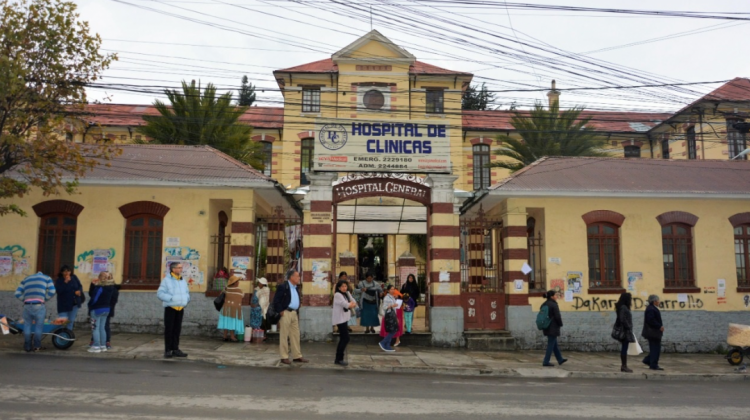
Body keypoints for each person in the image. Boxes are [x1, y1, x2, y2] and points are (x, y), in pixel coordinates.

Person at [272, 269, 308, 365]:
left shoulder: (296, 288)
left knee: (295, 334)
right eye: (297, 276)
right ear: (291, 277)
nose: (299, 278)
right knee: (284, 335)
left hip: (294, 313)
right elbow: (276, 300)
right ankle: (284, 356)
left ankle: (297, 355)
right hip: (286, 312)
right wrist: (281, 311)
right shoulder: (283, 286)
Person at [14, 271, 56, 352]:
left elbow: (17, 293)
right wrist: (44, 299)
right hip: (39, 306)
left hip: (27, 306)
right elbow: (52, 291)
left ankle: (27, 347)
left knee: (27, 326)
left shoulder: (26, 279)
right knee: (38, 326)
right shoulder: (47, 278)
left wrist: (25, 300)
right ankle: (37, 346)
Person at [157, 262, 191, 359]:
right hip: (170, 308)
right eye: (179, 268)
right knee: (169, 329)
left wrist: (187, 299)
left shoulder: (182, 280)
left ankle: (175, 349)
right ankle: (168, 350)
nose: (181, 269)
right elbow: (160, 293)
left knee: (177, 329)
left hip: (180, 307)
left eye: (181, 268)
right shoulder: (166, 280)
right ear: (173, 269)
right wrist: (171, 299)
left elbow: (187, 292)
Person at [88, 271, 116, 353]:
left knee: (95, 328)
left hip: (97, 309)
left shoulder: (100, 288)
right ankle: (103, 345)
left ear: (100, 278)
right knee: (102, 328)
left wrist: (90, 305)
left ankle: (96, 346)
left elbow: (94, 299)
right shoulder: (111, 287)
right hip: (106, 309)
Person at [332, 279, 357, 366]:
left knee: (344, 338)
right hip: (340, 319)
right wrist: (350, 304)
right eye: (342, 286)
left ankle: (338, 359)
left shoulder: (347, 293)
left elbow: (354, 302)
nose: (344, 288)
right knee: (345, 338)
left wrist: (351, 303)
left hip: (344, 318)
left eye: (345, 286)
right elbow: (347, 305)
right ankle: (339, 358)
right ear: (339, 287)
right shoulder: (337, 295)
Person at [541, 290, 567, 367]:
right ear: (552, 296)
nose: (556, 296)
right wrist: (560, 324)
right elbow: (557, 316)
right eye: (555, 295)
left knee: (554, 343)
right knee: (551, 344)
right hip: (553, 326)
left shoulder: (544, 304)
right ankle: (546, 361)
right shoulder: (553, 305)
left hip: (546, 326)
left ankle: (560, 359)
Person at [54, 265, 84, 332]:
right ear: (62, 272)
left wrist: (79, 291)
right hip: (63, 304)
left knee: (70, 321)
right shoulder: (59, 280)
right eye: (65, 271)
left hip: (74, 303)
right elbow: (59, 291)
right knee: (62, 322)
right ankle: (60, 336)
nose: (67, 273)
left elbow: (80, 286)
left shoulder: (74, 277)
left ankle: (68, 336)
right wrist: (65, 282)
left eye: (68, 271)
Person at [641, 294, 665, 371]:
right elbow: (651, 320)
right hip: (653, 333)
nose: (659, 302)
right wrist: (659, 326)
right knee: (655, 349)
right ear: (654, 301)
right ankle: (653, 364)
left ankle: (649, 361)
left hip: (653, 333)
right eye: (658, 300)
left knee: (655, 348)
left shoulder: (652, 308)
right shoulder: (651, 309)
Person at [218, 275, 244, 342]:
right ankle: (232, 337)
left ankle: (225, 336)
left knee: (226, 322)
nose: (238, 283)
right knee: (232, 322)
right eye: (237, 281)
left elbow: (221, 294)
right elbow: (242, 296)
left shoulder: (226, 289)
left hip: (225, 309)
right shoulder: (239, 290)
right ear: (235, 283)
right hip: (234, 310)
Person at [615, 292, 635, 373]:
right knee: (624, 348)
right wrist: (628, 327)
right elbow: (622, 319)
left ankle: (624, 365)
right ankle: (624, 366)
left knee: (625, 347)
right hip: (625, 331)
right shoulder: (623, 307)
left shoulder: (622, 307)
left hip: (625, 330)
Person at [378, 285, 400, 352]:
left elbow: (394, 308)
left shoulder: (392, 297)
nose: (393, 290)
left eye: (393, 289)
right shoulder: (386, 298)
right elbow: (384, 307)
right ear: (388, 290)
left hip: (393, 315)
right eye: (391, 289)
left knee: (392, 330)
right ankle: (383, 342)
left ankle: (387, 345)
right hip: (389, 316)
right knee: (392, 330)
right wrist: (392, 306)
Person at [104, 275, 120, 351]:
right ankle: (105, 341)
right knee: (101, 326)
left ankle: (107, 341)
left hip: (107, 309)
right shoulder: (104, 288)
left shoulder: (112, 289)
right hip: (105, 308)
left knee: (105, 325)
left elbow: (113, 300)